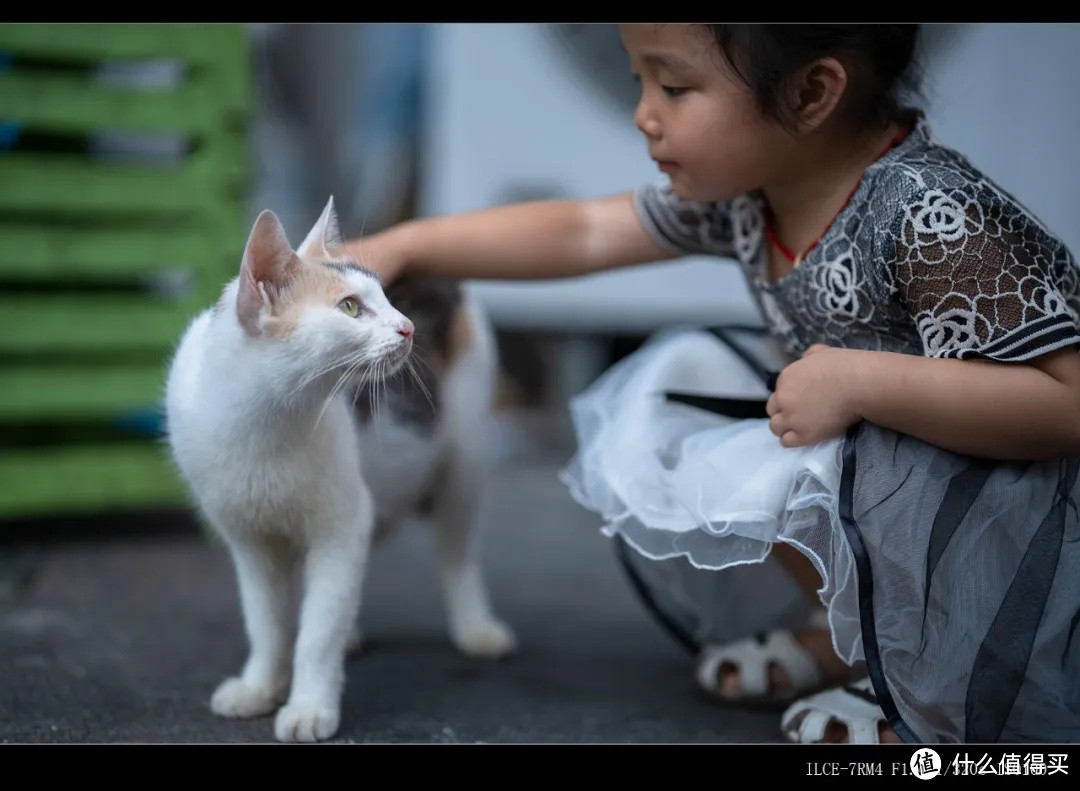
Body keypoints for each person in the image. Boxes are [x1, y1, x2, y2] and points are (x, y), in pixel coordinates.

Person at [340, 24, 1080, 743]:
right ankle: (849, 639)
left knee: (800, 441)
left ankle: (942, 700)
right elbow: (585, 232)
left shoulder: (930, 211)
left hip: (1009, 532)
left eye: (674, 84)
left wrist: (865, 378)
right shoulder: (750, 195)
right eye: (640, 81)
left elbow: (1068, 402)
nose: (644, 115)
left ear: (811, 92)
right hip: (879, 468)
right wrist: (406, 244)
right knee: (681, 389)